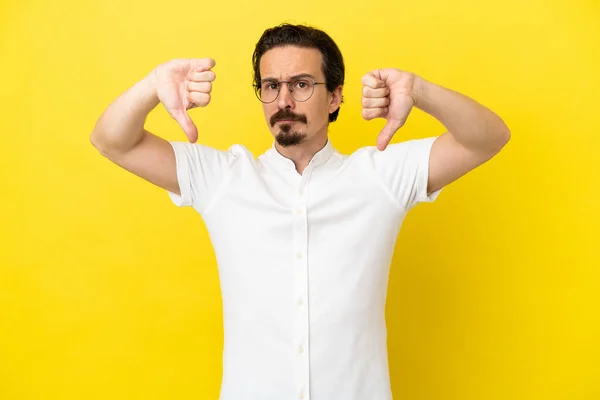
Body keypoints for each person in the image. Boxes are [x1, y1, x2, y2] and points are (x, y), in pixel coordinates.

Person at [91, 23, 510, 400]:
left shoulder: (380, 177)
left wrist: (418, 90)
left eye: (302, 84)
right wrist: (152, 84)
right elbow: (113, 141)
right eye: (270, 86)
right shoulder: (222, 178)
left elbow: (487, 138)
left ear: (335, 97)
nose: (284, 100)